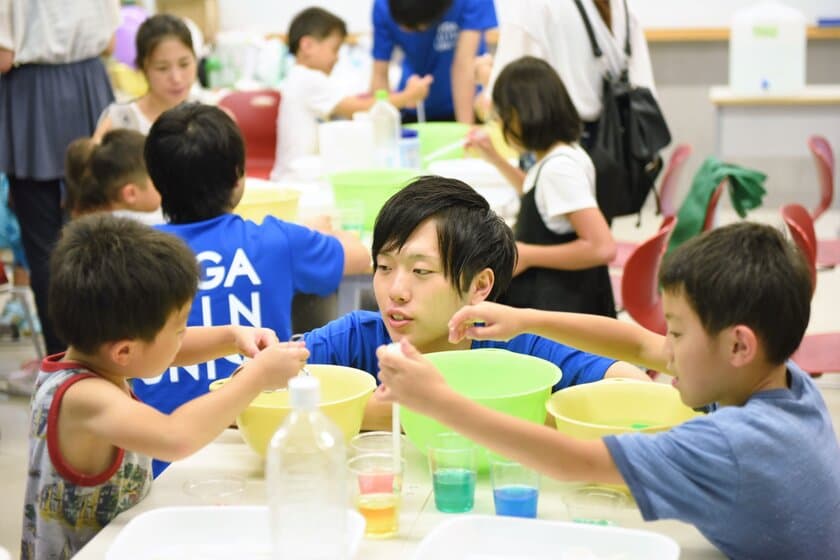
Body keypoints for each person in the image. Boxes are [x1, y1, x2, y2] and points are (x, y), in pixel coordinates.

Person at [376, 222, 840, 559]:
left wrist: (437, 400)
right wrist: (525, 320)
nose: (667, 352)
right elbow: (639, 342)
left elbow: (572, 461)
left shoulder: (733, 443)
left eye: (676, 334)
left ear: (738, 343)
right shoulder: (779, 379)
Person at [20, 214, 309, 560]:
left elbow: (162, 352)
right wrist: (258, 376)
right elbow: (175, 436)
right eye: (179, 329)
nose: (182, 337)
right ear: (124, 350)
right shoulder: (85, 398)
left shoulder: (99, 356)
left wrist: (233, 337)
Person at [302, 175, 649, 429]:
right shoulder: (354, 341)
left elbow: (633, 386)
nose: (396, 290)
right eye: (384, 267)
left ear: (480, 285)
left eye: (421, 271)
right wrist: (366, 414)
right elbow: (252, 385)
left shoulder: (516, 350)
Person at [137, 103, 370, 450]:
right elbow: (361, 255)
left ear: (155, 183)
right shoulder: (277, 240)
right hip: (261, 438)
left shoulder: (134, 256)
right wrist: (308, 231)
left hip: (159, 446)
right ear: (238, 177)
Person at [0, 0, 120, 357]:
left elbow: (3, 55)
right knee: (100, 233)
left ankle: (66, 362)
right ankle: (110, 352)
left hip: (33, 92)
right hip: (88, 86)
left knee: (44, 245)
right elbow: (111, 43)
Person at [467, 56, 616, 315]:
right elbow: (540, 196)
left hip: (558, 304)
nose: (500, 124)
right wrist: (495, 158)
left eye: (502, 116)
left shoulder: (560, 169)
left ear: (521, 116)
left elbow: (601, 247)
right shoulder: (562, 155)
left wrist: (527, 255)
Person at [270, 7, 431, 180]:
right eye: (335, 49)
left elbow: (353, 104)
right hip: (296, 178)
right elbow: (356, 108)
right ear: (307, 45)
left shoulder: (303, 78)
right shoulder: (307, 79)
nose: (337, 58)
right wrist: (408, 96)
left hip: (301, 175)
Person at [479, 0, 656, 150]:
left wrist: (483, 74)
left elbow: (505, 95)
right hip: (623, 147)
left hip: (560, 148)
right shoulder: (621, 6)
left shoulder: (531, 6)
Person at [371, 0, 497, 123]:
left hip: (467, 106)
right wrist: (383, 121)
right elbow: (380, 73)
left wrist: (466, 129)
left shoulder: (472, 2)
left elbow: (464, 64)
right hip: (413, 106)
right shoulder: (383, 6)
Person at [93, 14, 198, 138]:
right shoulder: (120, 121)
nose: (176, 78)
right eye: (162, 68)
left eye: (184, 64)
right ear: (143, 68)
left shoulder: (208, 115)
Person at [64, 129, 164, 225]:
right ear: (130, 194)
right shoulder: (142, 236)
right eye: (156, 178)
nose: (163, 184)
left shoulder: (84, 231)